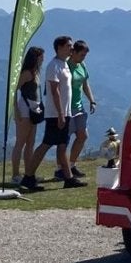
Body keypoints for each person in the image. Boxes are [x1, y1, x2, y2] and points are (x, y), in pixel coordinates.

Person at [25, 36, 85, 190]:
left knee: (62, 145)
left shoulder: (64, 64)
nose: (72, 48)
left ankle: (68, 178)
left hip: (65, 112)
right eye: (68, 46)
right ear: (59, 47)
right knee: (46, 144)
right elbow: (54, 90)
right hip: (55, 114)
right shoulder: (54, 66)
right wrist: (60, 114)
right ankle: (28, 177)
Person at [11, 46, 44, 186]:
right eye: (41, 56)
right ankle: (15, 174)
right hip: (24, 110)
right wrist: (16, 110)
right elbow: (14, 90)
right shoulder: (27, 73)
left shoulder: (36, 73)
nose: (43, 59)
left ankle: (29, 173)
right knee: (21, 142)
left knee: (30, 143)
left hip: (34, 109)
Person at [64, 39, 97, 182]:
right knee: (66, 137)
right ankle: (62, 168)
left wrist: (92, 100)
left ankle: (71, 164)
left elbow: (85, 83)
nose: (84, 58)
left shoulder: (81, 65)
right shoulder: (65, 66)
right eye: (82, 55)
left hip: (79, 106)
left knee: (82, 135)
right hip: (67, 107)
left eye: (85, 55)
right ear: (74, 53)